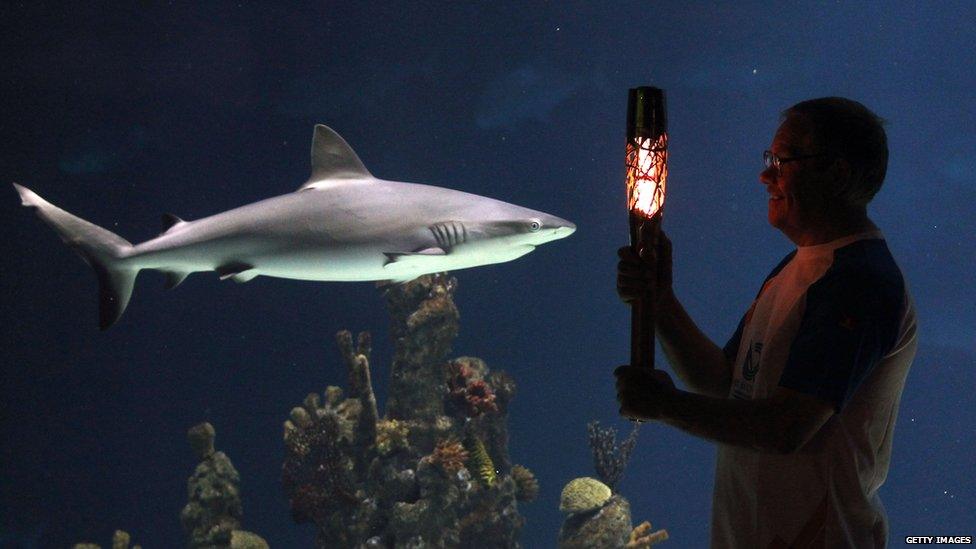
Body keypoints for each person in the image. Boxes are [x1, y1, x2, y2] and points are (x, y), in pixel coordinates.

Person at [615, 97, 917, 548]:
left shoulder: (860, 281)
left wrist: (664, 406)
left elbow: (785, 428)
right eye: (769, 159)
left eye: (783, 160)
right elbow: (724, 383)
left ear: (836, 173)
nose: (765, 175)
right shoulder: (794, 271)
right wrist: (660, 300)